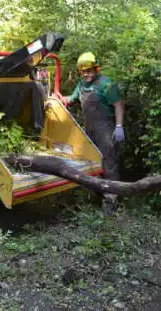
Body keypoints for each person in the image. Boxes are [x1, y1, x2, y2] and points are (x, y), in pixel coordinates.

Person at [62, 52, 125, 213]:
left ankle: (111, 201)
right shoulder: (81, 85)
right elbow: (72, 99)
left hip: (106, 129)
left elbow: (118, 104)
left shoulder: (107, 84)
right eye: (83, 71)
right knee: (90, 162)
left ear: (96, 69)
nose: (86, 74)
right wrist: (58, 99)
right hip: (88, 129)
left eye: (89, 70)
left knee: (108, 164)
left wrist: (119, 126)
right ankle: (93, 197)